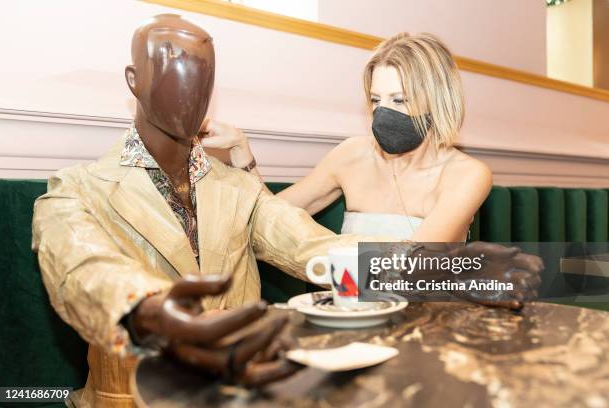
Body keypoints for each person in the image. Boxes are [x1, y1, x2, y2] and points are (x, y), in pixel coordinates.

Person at [32, 15, 541, 408]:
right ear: (133, 80)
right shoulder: (77, 188)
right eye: (170, 69)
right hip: (137, 396)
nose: (190, 88)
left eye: (203, 75)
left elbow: (316, 247)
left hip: (250, 392)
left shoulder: (238, 191)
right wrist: (144, 311)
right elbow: (81, 266)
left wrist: (450, 269)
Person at [204, 32, 490, 242]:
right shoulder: (352, 155)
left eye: (399, 100)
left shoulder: (467, 174)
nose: (383, 113)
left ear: (438, 101)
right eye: (376, 100)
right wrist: (241, 149)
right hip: (349, 311)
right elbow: (270, 217)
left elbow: (413, 267)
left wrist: (319, 255)